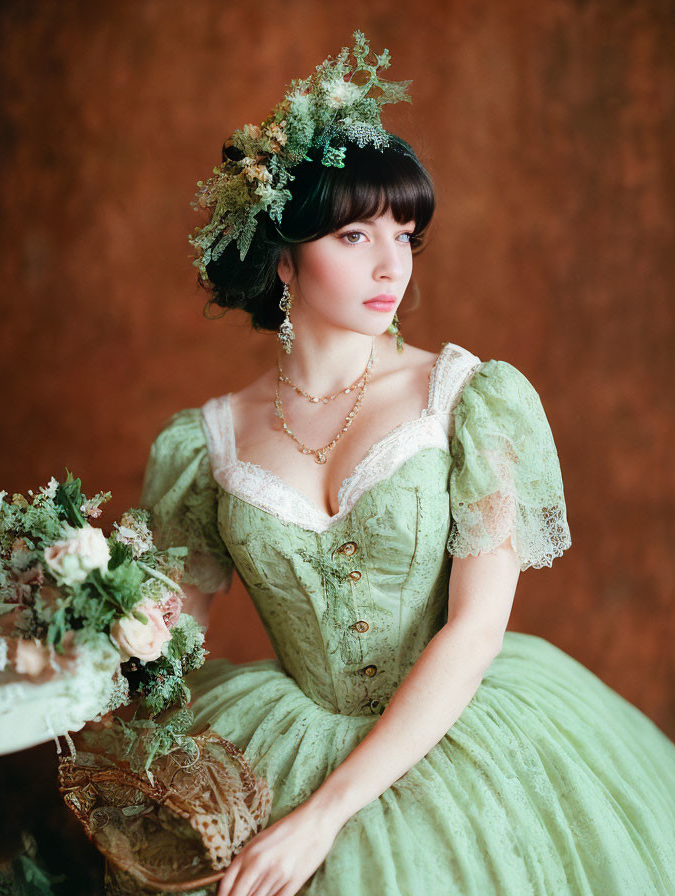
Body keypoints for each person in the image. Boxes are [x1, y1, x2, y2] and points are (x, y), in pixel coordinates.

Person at [139, 32, 675, 896]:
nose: (393, 264)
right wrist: (80, 616)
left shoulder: (468, 400)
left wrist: (323, 815)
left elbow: (475, 629)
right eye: (355, 235)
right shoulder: (206, 442)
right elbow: (171, 637)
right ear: (284, 254)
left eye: (405, 232)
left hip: (465, 742)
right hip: (280, 737)